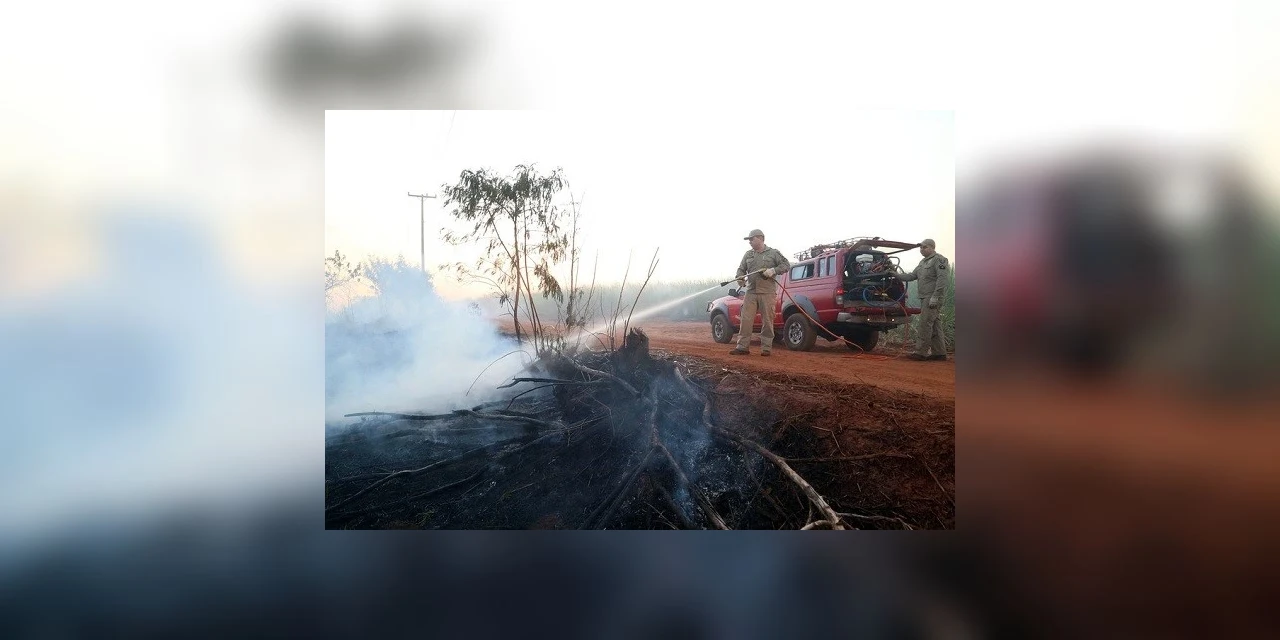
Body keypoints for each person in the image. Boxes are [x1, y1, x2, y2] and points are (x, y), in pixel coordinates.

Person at [730, 229, 791, 356]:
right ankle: (742, 347)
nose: (750, 242)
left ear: (760, 238)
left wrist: (773, 270)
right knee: (746, 320)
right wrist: (740, 278)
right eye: (749, 240)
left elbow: (786, 265)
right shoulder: (748, 254)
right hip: (751, 292)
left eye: (751, 239)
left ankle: (766, 348)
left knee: (767, 321)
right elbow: (741, 269)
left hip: (767, 292)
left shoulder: (773, 253)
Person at [893, 239, 950, 360]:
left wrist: (936, 296)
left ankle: (920, 353)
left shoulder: (940, 260)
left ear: (932, 247)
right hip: (925, 296)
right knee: (934, 325)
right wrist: (895, 274)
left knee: (925, 323)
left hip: (932, 296)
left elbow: (942, 279)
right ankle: (939, 353)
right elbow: (911, 276)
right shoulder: (922, 262)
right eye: (920, 248)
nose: (921, 250)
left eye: (924, 247)